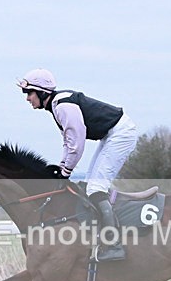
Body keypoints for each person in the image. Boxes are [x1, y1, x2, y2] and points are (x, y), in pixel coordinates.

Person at [17, 68, 137, 261]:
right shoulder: (57, 105)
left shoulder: (62, 106)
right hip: (111, 135)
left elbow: (76, 144)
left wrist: (65, 172)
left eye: (29, 93)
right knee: (92, 187)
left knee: (96, 188)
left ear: (41, 92)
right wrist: (62, 167)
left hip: (120, 134)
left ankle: (115, 246)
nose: (27, 98)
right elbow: (69, 142)